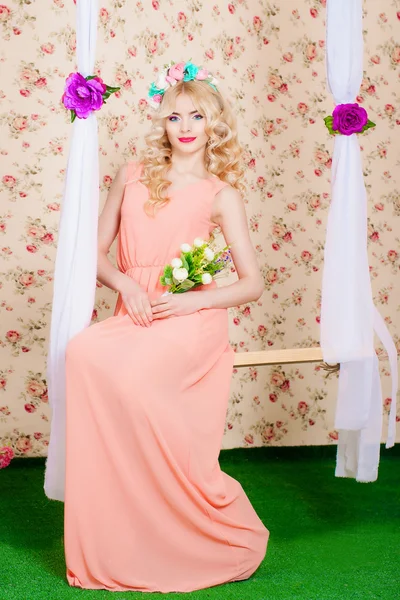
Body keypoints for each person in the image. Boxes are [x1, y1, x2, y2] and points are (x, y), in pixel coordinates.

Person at [64, 60, 269, 593]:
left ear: (213, 124)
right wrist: (126, 286)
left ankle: (191, 513)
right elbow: (93, 252)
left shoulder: (222, 194)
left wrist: (190, 305)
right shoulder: (131, 176)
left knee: (133, 381)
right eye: (174, 116)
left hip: (190, 317)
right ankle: (125, 526)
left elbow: (252, 284)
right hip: (135, 308)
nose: (184, 126)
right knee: (83, 355)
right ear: (163, 123)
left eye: (196, 116)